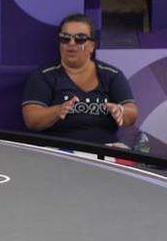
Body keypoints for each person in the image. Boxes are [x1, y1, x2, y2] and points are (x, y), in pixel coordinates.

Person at [22, 14, 138, 146]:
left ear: (92, 46)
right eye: (65, 38)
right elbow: (31, 120)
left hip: (106, 150)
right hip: (61, 152)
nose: (71, 43)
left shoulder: (111, 75)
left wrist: (120, 111)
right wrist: (57, 111)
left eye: (80, 39)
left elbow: (132, 114)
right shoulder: (44, 75)